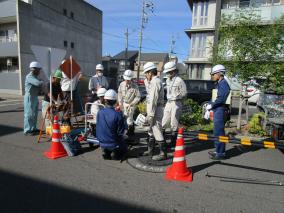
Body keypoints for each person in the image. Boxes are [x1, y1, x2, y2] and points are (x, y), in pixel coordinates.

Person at [142, 62, 166, 161]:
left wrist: (150, 114)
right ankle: (150, 150)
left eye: (146, 73)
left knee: (157, 130)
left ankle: (162, 153)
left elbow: (153, 99)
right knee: (151, 131)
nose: (146, 75)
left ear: (150, 72)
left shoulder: (155, 82)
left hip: (156, 110)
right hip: (154, 109)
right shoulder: (154, 81)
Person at [207, 64, 230, 160]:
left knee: (219, 132)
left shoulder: (223, 83)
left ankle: (220, 154)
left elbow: (221, 98)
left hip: (221, 109)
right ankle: (218, 150)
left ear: (220, 73)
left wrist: (212, 105)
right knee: (217, 131)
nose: (212, 76)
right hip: (218, 109)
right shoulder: (219, 83)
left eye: (214, 74)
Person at [162, 61, 187, 147]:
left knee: (174, 123)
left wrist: (178, 96)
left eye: (169, 72)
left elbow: (184, 93)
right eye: (167, 72)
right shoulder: (168, 80)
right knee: (164, 121)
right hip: (168, 102)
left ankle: (173, 142)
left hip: (176, 102)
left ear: (173, 71)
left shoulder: (179, 80)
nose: (168, 74)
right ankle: (162, 140)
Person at [96, 89, 127, 160]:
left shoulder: (100, 112)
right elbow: (120, 132)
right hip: (113, 142)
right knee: (124, 145)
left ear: (105, 100)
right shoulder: (118, 114)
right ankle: (115, 152)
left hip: (101, 141)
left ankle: (106, 151)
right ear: (115, 101)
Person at [117, 69, 141, 136]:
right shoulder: (121, 84)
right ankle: (124, 132)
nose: (127, 81)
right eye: (126, 79)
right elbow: (119, 94)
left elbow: (138, 97)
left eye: (128, 80)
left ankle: (130, 134)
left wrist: (132, 104)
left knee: (129, 120)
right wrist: (120, 103)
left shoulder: (135, 86)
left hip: (131, 105)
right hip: (123, 103)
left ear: (131, 79)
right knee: (122, 118)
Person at [24, 61, 44, 136]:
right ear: (33, 69)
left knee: (34, 114)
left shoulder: (35, 77)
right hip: (29, 96)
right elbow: (38, 83)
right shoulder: (29, 76)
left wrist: (40, 81)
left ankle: (33, 128)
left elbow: (38, 84)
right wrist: (41, 81)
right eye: (38, 69)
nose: (39, 71)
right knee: (29, 114)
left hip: (35, 96)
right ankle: (27, 130)